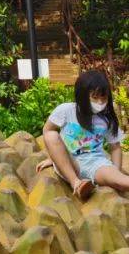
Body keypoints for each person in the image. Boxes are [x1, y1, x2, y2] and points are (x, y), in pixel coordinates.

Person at [37, 70, 126, 200]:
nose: (100, 102)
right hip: (70, 162)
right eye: (95, 97)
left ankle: (101, 183)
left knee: (120, 181)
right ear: (83, 95)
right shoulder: (66, 110)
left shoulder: (107, 119)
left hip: (96, 163)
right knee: (51, 136)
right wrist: (54, 158)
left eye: (103, 97)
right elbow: (47, 131)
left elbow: (115, 146)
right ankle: (77, 184)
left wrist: (116, 170)